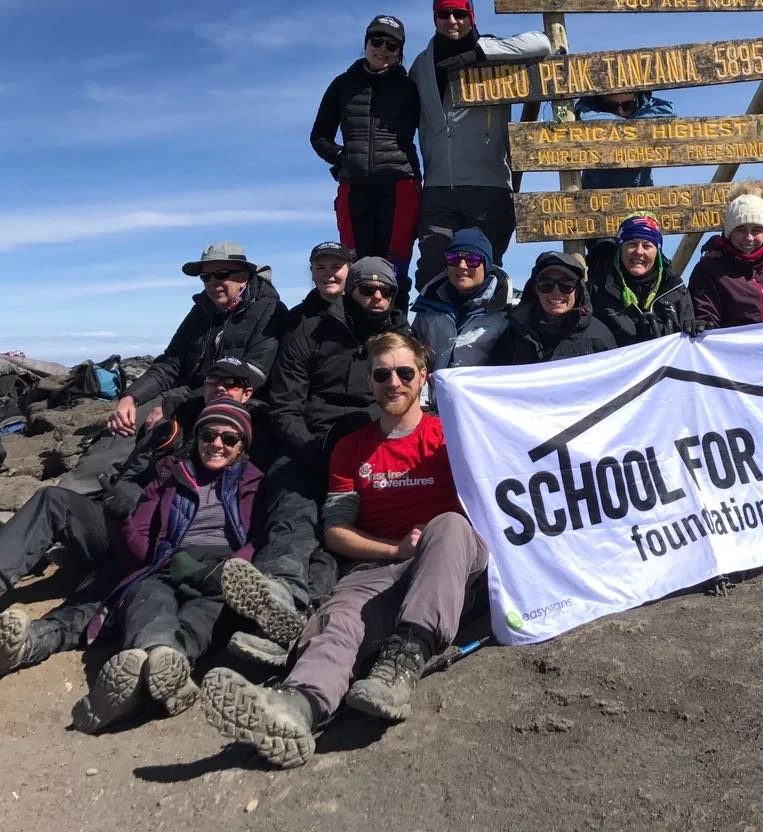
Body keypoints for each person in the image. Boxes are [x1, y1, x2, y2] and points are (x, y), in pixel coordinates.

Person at [200, 331, 488, 769]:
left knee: (448, 525)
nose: (394, 382)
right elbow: (336, 532)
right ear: (369, 382)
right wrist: (395, 549)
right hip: (379, 566)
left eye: (404, 372)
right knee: (340, 616)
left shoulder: (451, 437)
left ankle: (402, 664)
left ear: (423, 376)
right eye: (382, 374)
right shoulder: (351, 449)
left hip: (452, 564)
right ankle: (298, 706)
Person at [0, 360, 264, 684]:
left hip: (172, 548)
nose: (221, 388)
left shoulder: (261, 440)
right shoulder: (172, 425)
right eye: (214, 380)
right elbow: (135, 472)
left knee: (125, 588)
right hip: (134, 525)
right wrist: (121, 504)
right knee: (54, 501)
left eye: (231, 384)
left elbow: (263, 521)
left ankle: (146, 661)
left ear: (247, 394)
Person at [220, 257, 411, 663]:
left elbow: (407, 404)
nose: (377, 297)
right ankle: (279, 592)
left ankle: (301, 620)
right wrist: (312, 451)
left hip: (371, 449)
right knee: (295, 508)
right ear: (351, 291)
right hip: (312, 444)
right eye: (367, 289)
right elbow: (284, 405)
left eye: (386, 291)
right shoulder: (310, 330)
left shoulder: (401, 342)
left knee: (336, 531)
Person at [70, 401, 265, 734]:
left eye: (229, 439)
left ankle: (148, 672)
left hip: (222, 568)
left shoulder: (257, 482)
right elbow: (139, 553)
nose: (217, 444)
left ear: (241, 446)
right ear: (197, 437)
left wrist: (235, 566)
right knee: (147, 594)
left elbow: (263, 537)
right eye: (208, 435)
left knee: (207, 611)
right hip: (168, 561)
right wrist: (118, 519)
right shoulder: (168, 478)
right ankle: (162, 656)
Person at [410, 0, 553, 287]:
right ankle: (431, 320)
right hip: (438, 188)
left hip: (489, 187)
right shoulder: (421, 64)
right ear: (435, 18)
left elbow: (543, 44)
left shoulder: (494, 51)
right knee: (432, 273)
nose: (452, 21)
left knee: (484, 274)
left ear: (471, 16)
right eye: (444, 14)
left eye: (459, 13)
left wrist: (479, 52)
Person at [102, 241, 284, 448]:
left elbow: (254, 375)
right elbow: (171, 363)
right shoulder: (201, 311)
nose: (212, 282)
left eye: (221, 274)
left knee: (162, 434)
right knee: (120, 427)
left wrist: (176, 405)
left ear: (243, 277)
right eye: (206, 277)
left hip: (233, 399)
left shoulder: (270, 312)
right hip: (187, 393)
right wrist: (131, 396)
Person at [310, 16, 422, 296]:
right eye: (377, 41)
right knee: (356, 266)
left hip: (400, 184)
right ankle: (356, 324)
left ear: (400, 52)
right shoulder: (342, 85)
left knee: (395, 267)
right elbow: (319, 136)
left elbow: (433, 129)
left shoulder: (409, 88)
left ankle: (396, 322)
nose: (383, 49)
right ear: (366, 42)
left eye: (392, 45)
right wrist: (341, 157)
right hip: (354, 186)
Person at [689, 184, 763, 329]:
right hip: (732, 343)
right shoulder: (709, 270)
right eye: (740, 230)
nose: (749, 238)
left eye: (756, 230)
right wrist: (702, 326)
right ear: (729, 233)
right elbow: (706, 316)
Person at [410, 227, 513, 378]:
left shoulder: (507, 309)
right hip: (435, 391)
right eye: (454, 259)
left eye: (472, 260)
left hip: (481, 391)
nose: (462, 266)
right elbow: (416, 356)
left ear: (486, 265)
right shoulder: (428, 304)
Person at [588, 214, 697, 346]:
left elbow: (688, 347)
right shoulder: (597, 291)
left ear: (657, 252)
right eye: (632, 244)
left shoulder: (676, 290)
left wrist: (698, 333)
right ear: (620, 249)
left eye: (647, 246)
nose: (639, 251)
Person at [489, 252, 617, 365]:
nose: (556, 292)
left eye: (566, 285)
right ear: (535, 290)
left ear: (578, 291)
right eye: (546, 285)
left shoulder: (599, 336)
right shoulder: (514, 334)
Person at [574, 91, 675, 190]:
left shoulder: (645, 105)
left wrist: (621, 124)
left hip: (640, 194)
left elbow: (669, 112)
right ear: (601, 102)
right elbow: (582, 115)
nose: (620, 112)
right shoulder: (588, 108)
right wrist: (630, 124)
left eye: (628, 106)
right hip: (595, 193)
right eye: (611, 107)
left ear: (637, 99)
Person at [286, 242, 352, 330]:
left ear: (350, 270)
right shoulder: (294, 319)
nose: (328, 274)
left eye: (336, 267)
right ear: (312, 272)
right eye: (320, 268)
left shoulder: (364, 310)